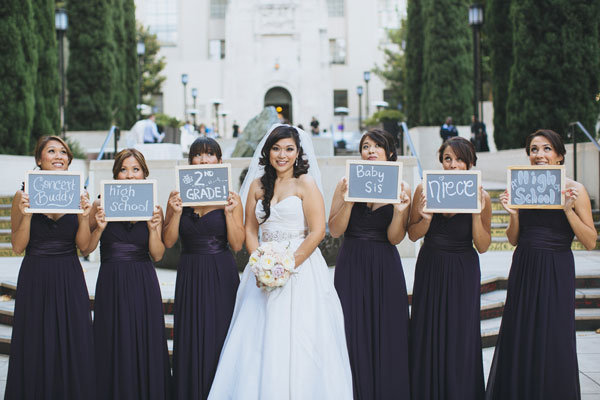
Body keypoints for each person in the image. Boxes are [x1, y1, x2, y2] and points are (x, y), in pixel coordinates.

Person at [208, 124, 353, 399]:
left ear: (298, 152)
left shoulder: (306, 184)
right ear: (268, 151)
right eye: (276, 148)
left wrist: (286, 265)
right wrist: (260, 262)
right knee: (256, 339)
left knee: (302, 338)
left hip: (301, 268)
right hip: (262, 268)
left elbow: (317, 231)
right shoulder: (257, 185)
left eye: (288, 149)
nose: (282, 154)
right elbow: (250, 229)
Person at [486, 129, 596, 400]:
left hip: (557, 267)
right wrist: (513, 214)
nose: (539, 155)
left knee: (554, 335)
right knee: (521, 333)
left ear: (560, 156)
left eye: (546, 149)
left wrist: (568, 209)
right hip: (525, 264)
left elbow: (590, 241)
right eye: (534, 150)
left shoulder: (576, 190)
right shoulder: (522, 187)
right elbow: (513, 239)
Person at [6, 136, 96, 399]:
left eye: (63, 152)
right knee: (34, 341)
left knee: (73, 340)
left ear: (68, 159)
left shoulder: (81, 194)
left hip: (69, 274)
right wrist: (28, 214)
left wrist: (84, 216)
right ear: (39, 160)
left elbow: (84, 246)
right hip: (35, 274)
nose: (59, 156)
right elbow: (18, 246)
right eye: (51, 151)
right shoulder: (22, 196)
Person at [329, 128, 412, 399]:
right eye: (366, 146)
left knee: (387, 332)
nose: (371, 151)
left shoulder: (401, 187)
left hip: (385, 265)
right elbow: (335, 230)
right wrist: (350, 201)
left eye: (378, 146)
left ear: (389, 153)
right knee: (351, 329)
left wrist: (400, 214)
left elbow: (395, 237)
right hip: (351, 263)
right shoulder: (345, 183)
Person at [407, 136, 491, 400]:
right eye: (447, 159)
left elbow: (484, 244)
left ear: (470, 163)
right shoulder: (424, 189)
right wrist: (427, 218)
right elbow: (411, 234)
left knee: (460, 334)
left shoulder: (483, 196)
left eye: (459, 159)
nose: (453, 165)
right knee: (427, 330)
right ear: (441, 162)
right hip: (431, 263)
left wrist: (477, 213)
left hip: (463, 267)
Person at [86, 148, 172, 399]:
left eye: (135, 169)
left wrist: (154, 229)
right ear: (115, 175)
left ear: (145, 174)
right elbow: (86, 247)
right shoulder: (99, 204)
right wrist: (99, 228)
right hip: (111, 278)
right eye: (123, 169)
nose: (130, 175)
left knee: (144, 339)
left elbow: (157, 255)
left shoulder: (154, 207)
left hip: (143, 278)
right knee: (111, 338)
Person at [164, 137, 245, 400]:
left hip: (220, 272)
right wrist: (175, 213)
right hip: (189, 271)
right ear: (190, 162)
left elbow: (237, 243)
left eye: (210, 155)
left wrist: (231, 213)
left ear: (220, 161)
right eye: (197, 155)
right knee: (190, 336)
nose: (203, 160)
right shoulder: (177, 196)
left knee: (219, 334)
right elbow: (168, 241)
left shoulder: (232, 198)